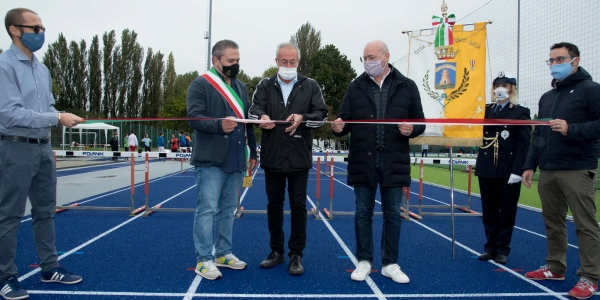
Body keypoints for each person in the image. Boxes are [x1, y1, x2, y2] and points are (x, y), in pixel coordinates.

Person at [0, 8, 85, 300]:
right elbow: (10, 114)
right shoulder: (4, 66)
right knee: (9, 214)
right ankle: (5, 276)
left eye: (42, 27)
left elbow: (47, 109)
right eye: (35, 28)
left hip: (42, 147)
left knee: (45, 212)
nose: (41, 33)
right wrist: (57, 118)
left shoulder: (42, 69)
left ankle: (49, 268)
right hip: (14, 147)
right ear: (14, 29)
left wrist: (57, 118)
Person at [331, 40, 425, 284]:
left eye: (371, 57)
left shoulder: (407, 86)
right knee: (363, 212)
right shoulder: (355, 87)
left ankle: (390, 263)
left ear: (386, 57)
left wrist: (412, 128)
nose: (367, 62)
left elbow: (421, 122)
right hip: (364, 159)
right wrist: (338, 127)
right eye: (364, 58)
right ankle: (364, 261)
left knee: (393, 213)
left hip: (394, 160)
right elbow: (344, 120)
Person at [522, 42, 600, 299]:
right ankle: (555, 267)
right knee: (553, 223)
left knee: (585, 225)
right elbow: (539, 135)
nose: (555, 65)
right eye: (551, 60)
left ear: (574, 61)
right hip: (549, 168)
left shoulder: (591, 90)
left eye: (560, 59)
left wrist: (572, 129)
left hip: (577, 168)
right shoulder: (547, 97)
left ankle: (590, 277)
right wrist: (530, 164)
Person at [249, 42, 328, 276]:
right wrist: (262, 116)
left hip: (299, 158)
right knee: (274, 206)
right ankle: (276, 251)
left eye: (292, 62)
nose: (288, 65)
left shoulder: (311, 86)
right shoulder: (264, 84)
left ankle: (296, 255)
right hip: (272, 156)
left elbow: (321, 116)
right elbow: (252, 110)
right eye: (283, 61)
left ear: (298, 62)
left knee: (298, 207)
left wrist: (302, 118)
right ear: (276, 62)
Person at [186, 39, 257, 280]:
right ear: (216, 61)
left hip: (237, 158)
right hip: (210, 160)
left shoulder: (242, 88)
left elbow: (249, 123)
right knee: (207, 209)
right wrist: (218, 125)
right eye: (230, 61)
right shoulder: (200, 85)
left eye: (237, 60)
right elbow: (194, 119)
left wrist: (253, 153)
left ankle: (223, 253)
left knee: (229, 209)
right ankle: (204, 258)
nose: (235, 65)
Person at [475, 72, 531, 265]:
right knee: (489, 211)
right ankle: (489, 247)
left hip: (508, 169)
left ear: (511, 89)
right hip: (487, 167)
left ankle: (502, 249)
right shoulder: (484, 110)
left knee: (506, 211)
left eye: (505, 85)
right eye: (497, 85)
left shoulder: (520, 111)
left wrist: (518, 170)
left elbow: (523, 144)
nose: (501, 89)